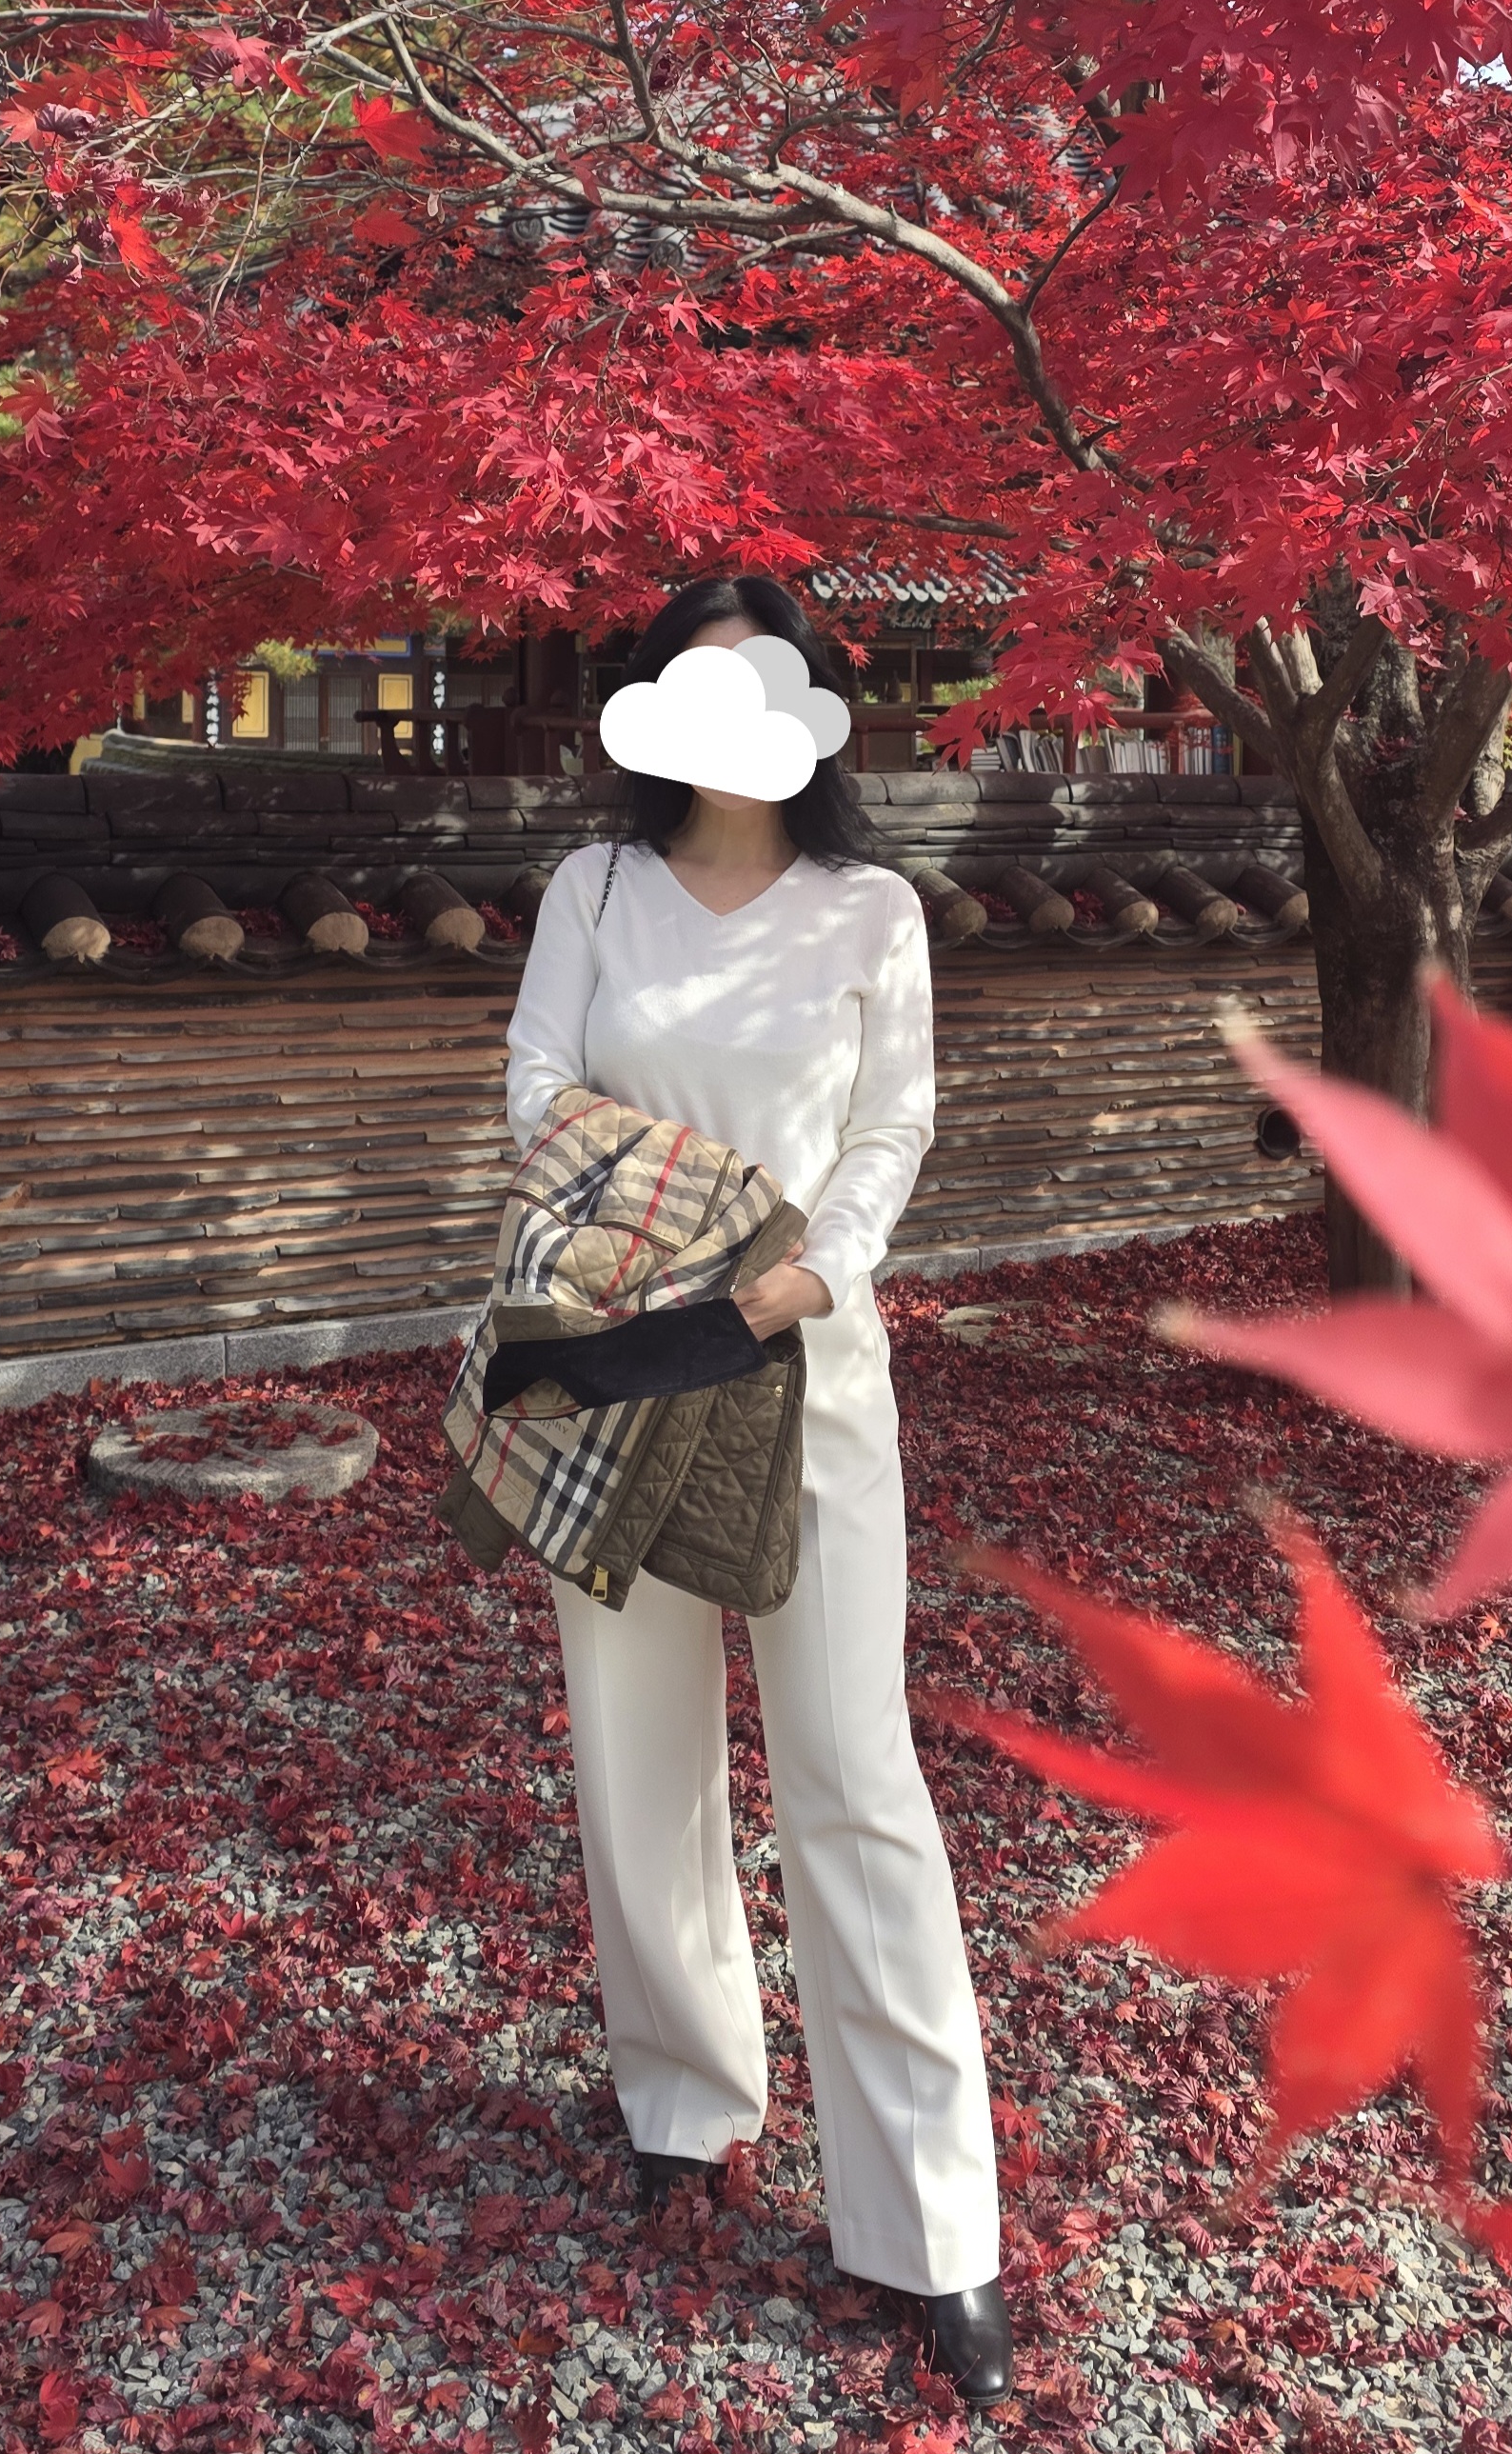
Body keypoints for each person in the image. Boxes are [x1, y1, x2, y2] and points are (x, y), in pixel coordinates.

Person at [503, 574, 1010, 2403]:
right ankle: (681, 2094)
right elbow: (536, 1086)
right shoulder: (595, 891)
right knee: (638, 1748)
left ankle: (931, 2221)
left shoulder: (871, 909)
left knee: (855, 1773)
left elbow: (893, 1120)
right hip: (623, 1363)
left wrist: (811, 1267)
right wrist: (685, 1238)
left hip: (810, 1369)